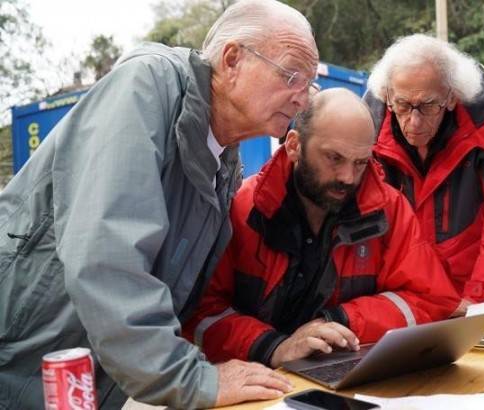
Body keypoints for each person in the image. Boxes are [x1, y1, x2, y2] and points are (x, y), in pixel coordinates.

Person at [0, 1, 318, 408]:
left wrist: (274, 344)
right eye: (292, 75)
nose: (302, 99)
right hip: (17, 367)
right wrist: (191, 378)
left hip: (83, 387)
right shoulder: (146, 83)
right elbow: (107, 258)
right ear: (233, 59)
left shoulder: (224, 159)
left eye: (309, 84)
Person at [183, 88, 460, 368]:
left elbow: (432, 300)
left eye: (361, 162)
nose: (348, 177)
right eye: (334, 158)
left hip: (348, 376)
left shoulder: (391, 211)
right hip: (253, 380)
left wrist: (339, 321)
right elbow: (197, 312)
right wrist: (273, 347)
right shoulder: (240, 209)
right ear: (293, 146)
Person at [363, 34, 484, 315]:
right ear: (387, 96)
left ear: (451, 97)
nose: (414, 122)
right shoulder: (363, 135)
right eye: (403, 105)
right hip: (400, 290)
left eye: (429, 105)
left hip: (472, 287)